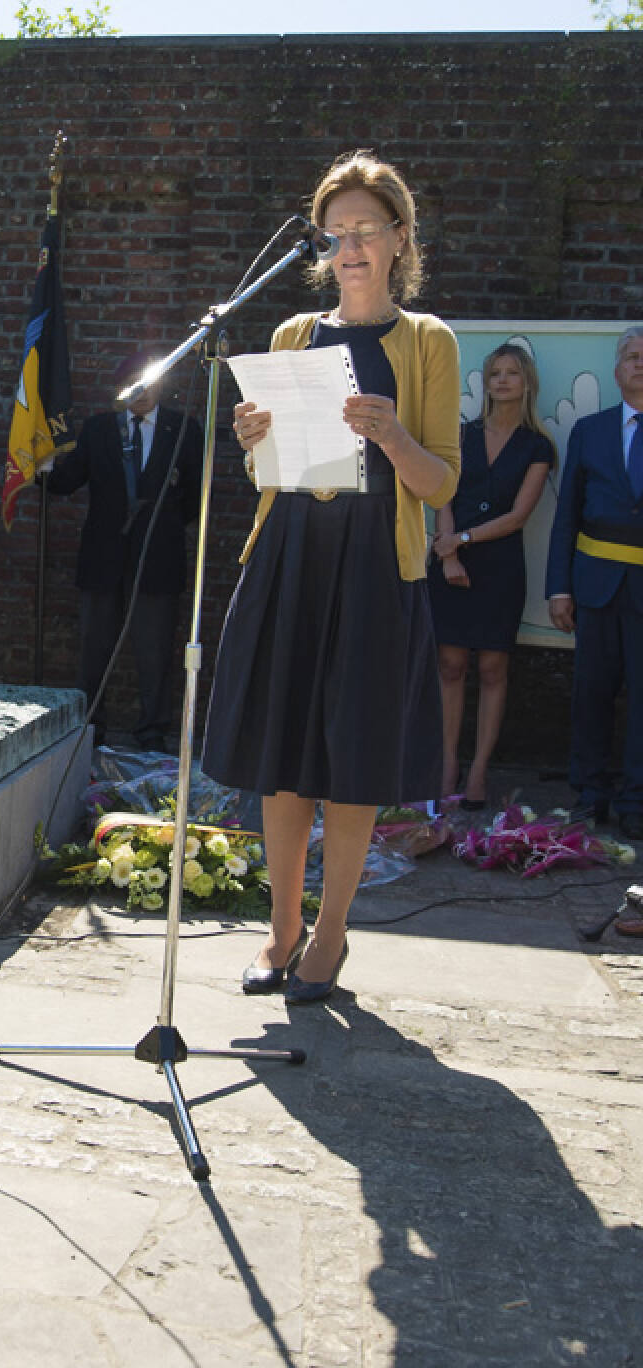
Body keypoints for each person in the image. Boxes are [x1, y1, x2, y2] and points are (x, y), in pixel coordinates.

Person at [203, 150, 460, 1005]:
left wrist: (391, 435)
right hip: (291, 556)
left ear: (399, 238)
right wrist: (253, 443)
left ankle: (331, 934)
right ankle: (280, 929)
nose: (349, 246)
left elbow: (440, 484)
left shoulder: (428, 341)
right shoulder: (292, 336)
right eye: (335, 232)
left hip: (376, 566)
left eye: (365, 230)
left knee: (351, 757)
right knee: (283, 756)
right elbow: (270, 476)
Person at [45, 352, 203, 750]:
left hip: (158, 556)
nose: (142, 392)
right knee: (94, 646)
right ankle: (89, 726)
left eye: (148, 384)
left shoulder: (183, 429)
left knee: (155, 649)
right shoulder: (99, 429)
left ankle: (152, 730)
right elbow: (69, 480)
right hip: (104, 556)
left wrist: (160, 525)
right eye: (133, 385)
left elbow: (195, 497)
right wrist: (38, 465)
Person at [428, 344, 554, 809]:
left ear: (527, 383)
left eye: (512, 373)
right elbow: (442, 494)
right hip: (451, 562)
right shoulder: (461, 435)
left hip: (499, 565)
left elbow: (518, 516)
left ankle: (479, 770)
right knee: (450, 665)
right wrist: (448, 553)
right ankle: (447, 764)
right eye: (495, 372)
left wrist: (461, 539)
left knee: (492, 667)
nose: (502, 380)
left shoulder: (537, 446)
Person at [546, 325, 643, 840]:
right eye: (631, 356)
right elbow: (567, 516)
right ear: (616, 369)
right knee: (591, 693)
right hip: (596, 583)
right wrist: (559, 588)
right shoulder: (591, 430)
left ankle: (636, 800)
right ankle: (590, 793)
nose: (639, 364)